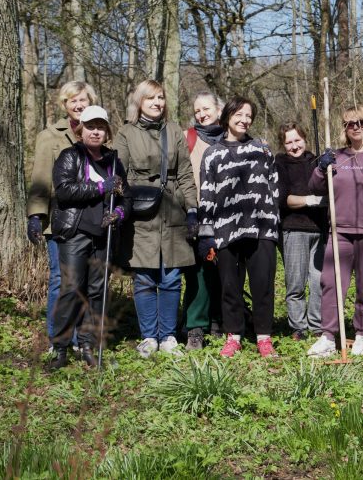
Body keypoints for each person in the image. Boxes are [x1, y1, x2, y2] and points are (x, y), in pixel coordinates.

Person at [115, 79, 198, 358]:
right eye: (151, 98)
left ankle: (169, 336)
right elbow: (119, 176)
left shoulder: (174, 131)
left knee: (172, 277)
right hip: (141, 213)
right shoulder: (126, 133)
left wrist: (192, 209)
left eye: (161, 98)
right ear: (140, 102)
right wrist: (119, 209)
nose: (157, 103)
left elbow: (185, 173)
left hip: (172, 209)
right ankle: (149, 336)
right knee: (145, 278)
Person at [307, 105, 363, 358]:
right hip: (340, 230)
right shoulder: (337, 156)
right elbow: (315, 186)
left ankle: (362, 335)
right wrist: (320, 168)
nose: (356, 127)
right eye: (350, 123)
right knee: (332, 283)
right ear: (344, 128)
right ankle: (327, 335)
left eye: (361, 122)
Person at [198, 97, 281, 358]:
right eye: (239, 114)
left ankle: (264, 337)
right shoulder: (213, 154)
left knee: (263, 285)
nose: (244, 120)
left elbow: (274, 187)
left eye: (249, 116)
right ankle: (233, 335)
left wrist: (272, 221)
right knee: (230, 286)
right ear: (227, 116)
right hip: (226, 230)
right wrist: (206, 232)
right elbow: (207, 193)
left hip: (261, 228)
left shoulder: (262, 150)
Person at [48, 106, 129, 370]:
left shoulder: (114, 161)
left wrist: (118, 212)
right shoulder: (70, 156)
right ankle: (59, 348)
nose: (96, 131)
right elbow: (64, 191)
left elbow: (125, 196)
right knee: (72, 289)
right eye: (90, 126)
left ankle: (87, 344)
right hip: (75, 232)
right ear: (80, 129)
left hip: (103, 234)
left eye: (101, 127)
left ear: (107, 131)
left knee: (97, 291)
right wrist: (99, 187)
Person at [27, 81, 98, 347]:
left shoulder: (99, 131)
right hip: (59, 221)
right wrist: (36, 215)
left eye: (83, 100)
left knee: (86, 279)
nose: (78, 105)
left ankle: (84, 337)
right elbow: (40, 180)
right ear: (65, 105)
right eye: (72, 101)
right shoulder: (50, 136)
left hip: (91, 219)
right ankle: (59, 338)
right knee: (61, 278)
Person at [275, 121, 327, 341]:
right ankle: (298, 327)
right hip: (294, 228)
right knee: (296, 282)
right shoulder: (280, 163)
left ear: (305, 138)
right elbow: (283, 199)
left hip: (320, 229)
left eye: (297, 140)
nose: (294, 146)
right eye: (289, 142)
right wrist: (310, 200)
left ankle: (316, 325)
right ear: (283, 144)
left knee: (318, 282)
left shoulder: (317, 162)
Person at [182, 91, 226, 349]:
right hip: (198, 214)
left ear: (219, 110)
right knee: (199, 272)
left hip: (229, 216)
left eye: (206, 108)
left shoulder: (232, 138)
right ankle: (195, 326)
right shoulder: (189, 138)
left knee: (225, 270)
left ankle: (219, 321)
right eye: (197, 110)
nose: (201, 113)